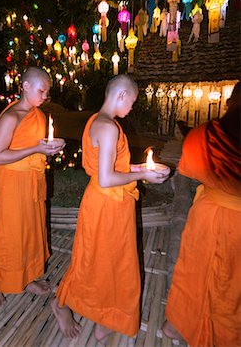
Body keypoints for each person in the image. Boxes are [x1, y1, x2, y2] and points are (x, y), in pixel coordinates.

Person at [50, 74, 170, 341]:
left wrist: (140, 167)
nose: (131, 108)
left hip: (110, 203)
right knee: (92, 262)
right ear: (122, 95)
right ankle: (60, 305)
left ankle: (105, 314)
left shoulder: (98, 121)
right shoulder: (108, 127)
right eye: (132, 103)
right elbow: (106, 178)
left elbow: (111, 167)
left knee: (113, 263)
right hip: (105, 204)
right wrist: (143, 176)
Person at [0, 67, 65, 307]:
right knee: (6, 234)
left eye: (47, 91)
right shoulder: (12, 116)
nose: (45, 96)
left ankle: (25, 278)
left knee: (28, 234)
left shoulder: (36, 114)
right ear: (25, 86)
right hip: (11, 184)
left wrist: (48, 147)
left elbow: (34, 144)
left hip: (31, 183)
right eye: (42, 90)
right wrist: (37, 149)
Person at [163, 82, 241, 346]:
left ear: (230, 101)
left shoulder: (203, 135)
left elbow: (188, 170)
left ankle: (178, 324)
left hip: (208, 216)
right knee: (232, 288)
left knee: (192, 271)